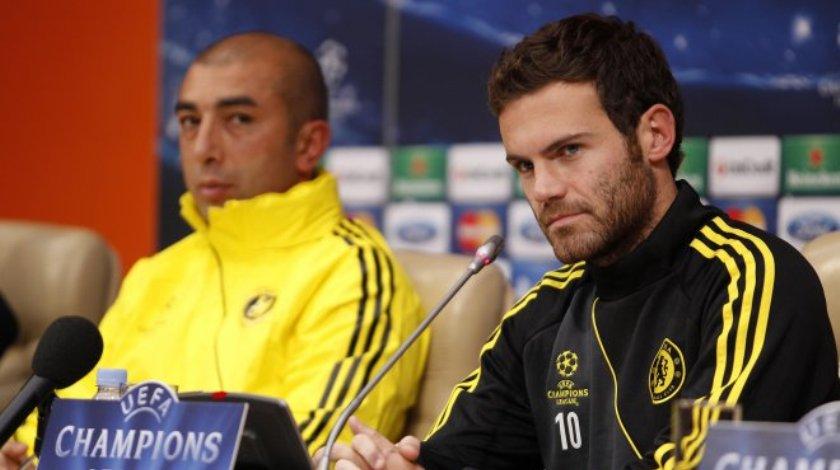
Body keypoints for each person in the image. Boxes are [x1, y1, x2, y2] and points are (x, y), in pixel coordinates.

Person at [323, 13, 840, 469]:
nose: (543, 190)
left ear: (654, 135)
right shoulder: (540, 315)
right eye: (525, 166)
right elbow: (455, 455)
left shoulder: (748, 280)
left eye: (568, 151)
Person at [2, 32, 429, 467]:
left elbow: (302, 458)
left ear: (308, 144)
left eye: (238, 120)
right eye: (189, 121)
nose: (203, 148)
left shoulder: (353, 273)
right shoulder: (157, 271)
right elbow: (60, 431)